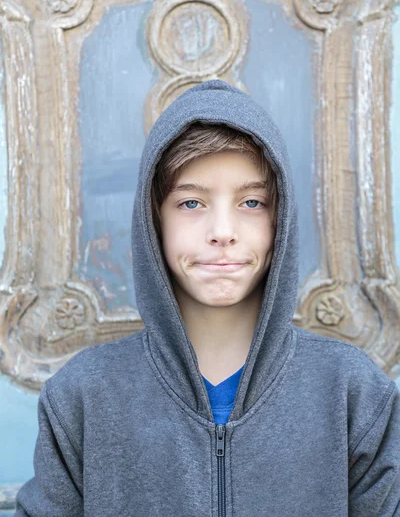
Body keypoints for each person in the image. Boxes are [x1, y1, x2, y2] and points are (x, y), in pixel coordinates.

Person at [14, 79, 400, 516]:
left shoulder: (353, 393)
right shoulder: (83, 395)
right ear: (153, 220)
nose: (222, 231)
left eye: (252, 202)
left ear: (281, 220)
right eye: (192, 203)